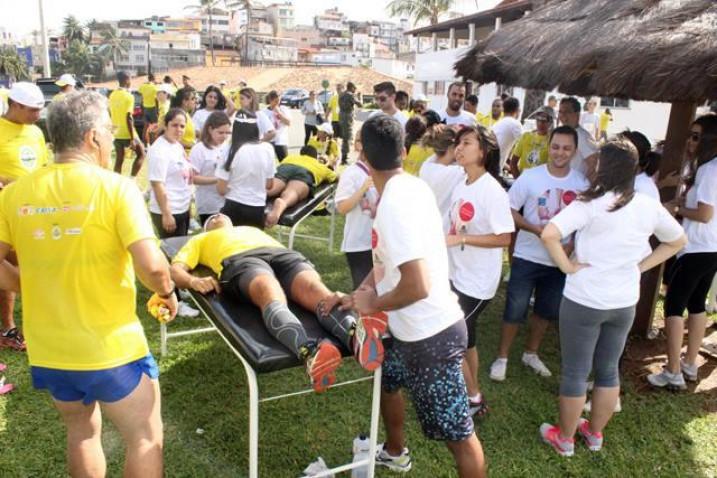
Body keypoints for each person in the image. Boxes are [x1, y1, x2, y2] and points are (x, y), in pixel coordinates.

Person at [0, 90, 178, 477]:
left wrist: (26, 283)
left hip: (49, 351)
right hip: (111, 350)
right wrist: (166, 291)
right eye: (109, 129)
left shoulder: (14, 194)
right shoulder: (116, 188)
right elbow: (153, 268)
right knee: (146, 437)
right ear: (93, 137)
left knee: (81, 432)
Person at [340, 115, 486, 477]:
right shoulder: (414, 186)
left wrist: (373, 304)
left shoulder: (392, 207)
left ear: (363, 157)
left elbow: (416, 285)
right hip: (409, 332)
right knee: (388, 382)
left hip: (430, 337)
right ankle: (395, 450)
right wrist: (362, 291)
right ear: (404, 152)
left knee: (460, 438)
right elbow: (390, 261)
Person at [538, 139, 685, 456]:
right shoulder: (647, 204)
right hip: (623, 301)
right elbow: (677, 240)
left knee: (576, 371)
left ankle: (564, 439)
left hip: (584, 298)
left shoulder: (590, 203)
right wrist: (641, 266)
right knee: (607, 370)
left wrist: (567, 266)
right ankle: (594, 434)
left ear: (604, 166)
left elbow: (549, 234)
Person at [169, 214, 388, 391]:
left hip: (282, 255)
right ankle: (309, 352)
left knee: (316, 289)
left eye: (221, 215)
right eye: (212, 219)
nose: (217, 216)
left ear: (231, 221)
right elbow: (175, 269)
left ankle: (355, 337)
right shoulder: (199, 239)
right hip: (241, 261)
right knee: (268, 289)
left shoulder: (252, 229)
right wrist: (193, 281)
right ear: (207, 228)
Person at [490, 126, 588, 383]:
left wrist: (572, 243)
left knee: (546, 310)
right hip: (527, 255)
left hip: (559, 261)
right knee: (515, 308)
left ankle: (530, 353)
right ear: (549, 146)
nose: (560, 153)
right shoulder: (530, 177)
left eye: (566, 148)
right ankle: (502, 357)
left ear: (574, 151)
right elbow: (509, 210)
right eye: (555, 146)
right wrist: (535, 229)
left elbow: (588, 220)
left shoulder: (582, 183)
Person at [447, 125, 515, 418]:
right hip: (457, 273)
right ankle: (467, 390)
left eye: (466, 143)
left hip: (477, 283)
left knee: (452, 337)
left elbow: (504, 238)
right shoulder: (462, 183)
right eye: (458, 143)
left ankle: (474, 399)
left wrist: (462, 239)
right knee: (467, 339)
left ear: (483, 152)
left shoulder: (492, 190)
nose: (459, 148)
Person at [648, 114, 717, 390]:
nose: (690, 141)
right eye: (690, 135)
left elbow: (704, 213)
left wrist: (677, 210)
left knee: (674, 305)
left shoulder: (709, 170)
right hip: (710, 248)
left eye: (696, 136)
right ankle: (688, 363)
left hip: (696, 246)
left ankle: (673, 370)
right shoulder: (707, 168)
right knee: (697, 303)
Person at [0, 82, 48, 350]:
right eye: (31, 110)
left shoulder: (35, 133)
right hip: (3, 215)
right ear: (14, 105)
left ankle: (40, 323)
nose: (37, 116)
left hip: (35, 214)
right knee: (7, 271)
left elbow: (41, 167)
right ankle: (8, 328)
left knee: (34, 268)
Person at [217, 110, 276, 228]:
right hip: (257, 209)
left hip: (233, 206)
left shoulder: (230, 149)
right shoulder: (267, 149)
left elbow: (221, 189)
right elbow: (269, 184)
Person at [335, 136, 378, 288]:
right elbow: (342, 208)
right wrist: (363, 189)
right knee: (364, 291)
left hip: (379, 243)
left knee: (379, 290)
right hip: (359, 244)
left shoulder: (382, 171)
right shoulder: (351, 173)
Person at [265, 145, 338, 228]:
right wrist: (329, 165)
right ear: (315, 157)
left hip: (286, 167)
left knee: (272, 188)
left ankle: (263, 194)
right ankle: (282, 203)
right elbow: (336, 178)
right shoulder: (320, 166)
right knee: (293, 192)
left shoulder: (290, 158)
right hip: (305, 172)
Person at [148, 108, 193, 239]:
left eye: (182, 126)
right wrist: (167, 214)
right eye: (174, 125)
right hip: (169, 211)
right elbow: (157, 184)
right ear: (166, 125)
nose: (179, 129)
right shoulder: (159, 150)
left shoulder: (177, 145)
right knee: (172, 254)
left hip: (181, 208)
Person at [189, 111, 231, 226]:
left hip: (227, 202)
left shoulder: (227, 147)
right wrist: (218, 179)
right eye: (220, 132)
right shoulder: (199, 149)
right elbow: (193, 178)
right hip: (209, 204)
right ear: (210, 129)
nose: (224, 136)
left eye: (227, 132)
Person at [419, 126, 464, 232]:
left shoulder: (426, 166)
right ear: (451, 148)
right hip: (443, 232)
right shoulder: (455, 173)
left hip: (426, 228)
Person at [109, 71, 145, 177]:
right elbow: (129, 117)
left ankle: (116, 184)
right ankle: (131, 181)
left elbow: (111, 113)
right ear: (127, 80)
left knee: (119, 159)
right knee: (142, 154)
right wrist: (132, 137)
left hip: (116, 132)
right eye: (131, 79)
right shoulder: (129, 96)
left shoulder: (112, 95)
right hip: (127, 133)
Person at [508, 106, 553, 177]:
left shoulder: (552, 141)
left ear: (551, 122)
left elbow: (552, 169)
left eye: (544, 120)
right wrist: (519, 181)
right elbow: (513, 163)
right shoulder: (526, 136)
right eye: (538, 119)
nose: (540, 123)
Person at [558, 96, 599, 176]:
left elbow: (594, 166)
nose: (563, 115)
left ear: (577, 114)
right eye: (560, 112)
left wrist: (585, 187)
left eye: (567, 112)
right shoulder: (561, 133)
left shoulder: (582, 137)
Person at [492, 96, 523, 172]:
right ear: (517, 110)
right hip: (493, 168)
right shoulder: (515, 124)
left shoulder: (498, 124)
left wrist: (510, 168)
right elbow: (525, 144)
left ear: (503, 109)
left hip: (489, 165)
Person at [339, 82, 363, 164]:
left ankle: (344, 156)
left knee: (345, 138)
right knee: (347, 138)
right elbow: (360, 104)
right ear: (351, 87)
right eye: (354, 88)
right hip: (347, 118)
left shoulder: (341, 94)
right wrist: (359, 96)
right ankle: (344, 158)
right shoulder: (350, 95)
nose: (355, 90)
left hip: (341, 117)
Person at [264, 90, 291, 161]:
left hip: (281, 141)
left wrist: (279, 113)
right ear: (270, 100)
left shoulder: (284, 109)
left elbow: (289, 123)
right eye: (275, 101)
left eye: (279, 100)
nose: (277, 103)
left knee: (285, 164)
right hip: (268, 141)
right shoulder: (264, 112)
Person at [170, 87, 197, 151]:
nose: (195, 101)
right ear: (184, 101)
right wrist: (191, 145)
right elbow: (172, 139)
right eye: (193, 99)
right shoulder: (178, 116)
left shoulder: (186, 114)